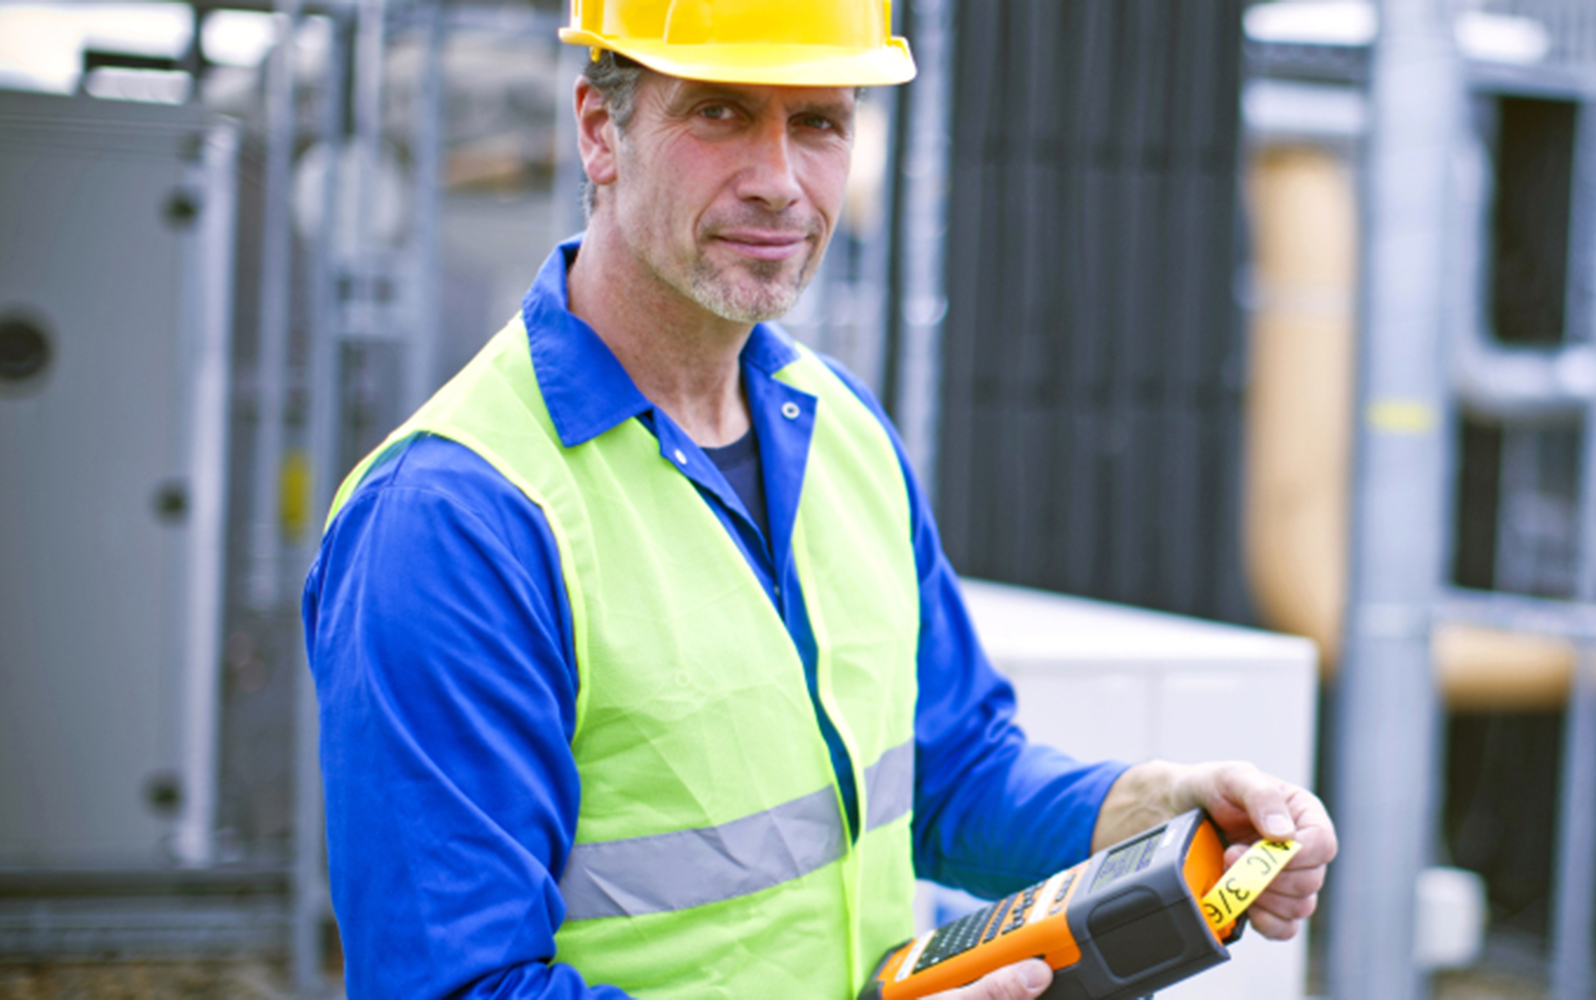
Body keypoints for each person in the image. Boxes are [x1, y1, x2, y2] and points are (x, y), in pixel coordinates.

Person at [299, 2, 1336, 997]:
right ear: (599, 131)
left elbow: (951, 769)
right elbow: (458, 986)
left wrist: (1146, 808)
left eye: (820, 122)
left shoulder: (836, 425)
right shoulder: (450, 519)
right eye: (720, 112)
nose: (780, 182)